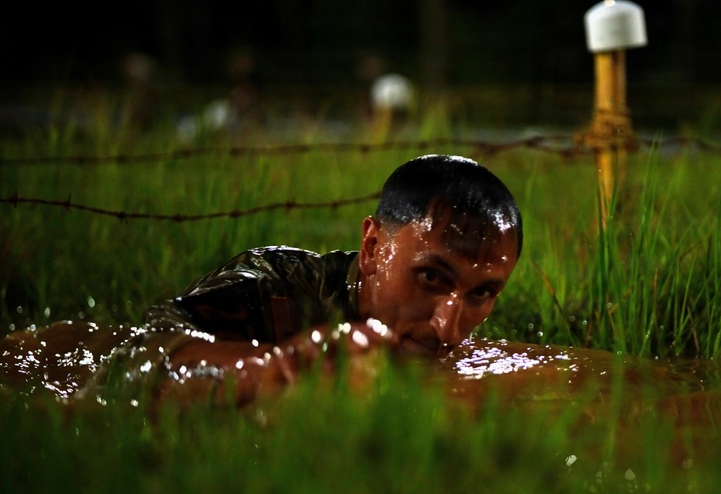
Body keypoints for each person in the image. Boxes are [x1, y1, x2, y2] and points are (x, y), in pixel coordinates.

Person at [3, 154, 523, 408]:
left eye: (481, 293)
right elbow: (133, 357)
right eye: (431, 277)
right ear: (372, 248)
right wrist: (272, 372)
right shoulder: (274, 287)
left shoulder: (448, 340)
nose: (449, 325)